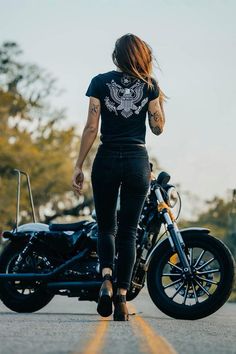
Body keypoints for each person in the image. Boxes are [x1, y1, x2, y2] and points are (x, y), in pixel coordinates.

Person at [72, 33, 166, 321]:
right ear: (142, 56)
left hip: (107, 158)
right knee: (128, 231)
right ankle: (122, 299)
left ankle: (106, 280)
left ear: (117, 56)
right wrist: (158, 99)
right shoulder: (150, 86)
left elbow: (91, 127)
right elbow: (158, 127)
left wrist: (78, 166)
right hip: (138, 161)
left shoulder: (99, 82)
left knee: (106, 227)